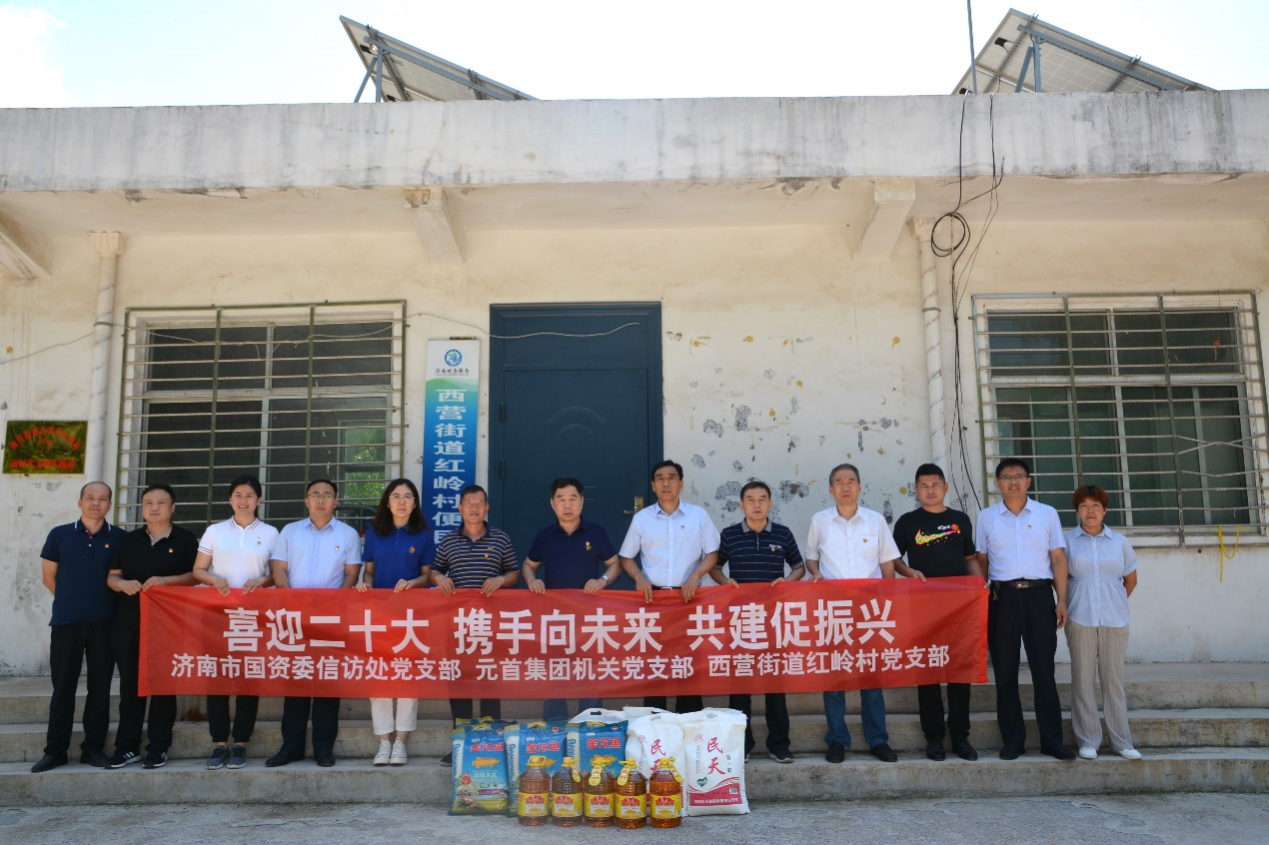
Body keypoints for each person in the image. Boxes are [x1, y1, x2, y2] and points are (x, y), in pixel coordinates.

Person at [805, 463, 924, 764]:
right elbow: (811, 558)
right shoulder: (820, 521)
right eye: (839, 482)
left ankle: (878, 740)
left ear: (859, 487)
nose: (845, 486)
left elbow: (887, 562)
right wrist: (815, 573)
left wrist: (889, 599)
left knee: (871, 676)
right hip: (834, 608)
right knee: (834, 678)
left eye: (851, 481)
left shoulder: (875, 520)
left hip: (870, 609)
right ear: (831, 489)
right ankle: (837, 740)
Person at [976, 457, 1075, 761]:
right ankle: (1013, 741)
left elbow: (1058, 558)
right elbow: (981, 560)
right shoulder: (986, 518)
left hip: (1039, 597)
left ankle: (1052, 741)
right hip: (1001, 598)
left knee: (1043, 671)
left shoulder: (1047, 514)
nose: (1013, 482)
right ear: (998, 483)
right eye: (1007, 477)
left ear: (1029, 481)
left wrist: (1061, 600)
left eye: (1019, 476)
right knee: (1005, 672)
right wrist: (983, 596)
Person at [31, 482, 126, 773]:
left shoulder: (120, 538)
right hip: (66, 622)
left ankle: (92, 748)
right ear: (80, 502)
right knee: (63, 687)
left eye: (102, 499)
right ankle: (55, 751)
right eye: (90, 498)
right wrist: (71, 602)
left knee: (99, 688)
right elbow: (49, 578)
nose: (96, 503)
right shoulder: (59, 534)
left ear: (110, 504)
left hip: (105, 623)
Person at [266, 479, 362, 768]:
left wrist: (334, 605)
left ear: (336, 502)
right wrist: (291, 603)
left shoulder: (348, 534)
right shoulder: (290, 531)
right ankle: (291, 748)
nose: (321, 500)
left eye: (327, 495)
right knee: (295, 683)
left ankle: (323, 749)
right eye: (315, 495)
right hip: (294, 617)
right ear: (306, 501)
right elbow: (278, 568)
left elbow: (351, 573)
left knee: (327, 685)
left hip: (330, 618)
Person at [891, 463, 981, 762]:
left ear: (945, 487)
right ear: (916, 490)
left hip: (959, 607)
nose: (930, 490)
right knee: (927, 670)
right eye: (924, 486)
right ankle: (934, 738)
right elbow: (893, 559)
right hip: (923, 607)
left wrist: (980, 585)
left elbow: (969, 559)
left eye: (935, 485)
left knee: (959, 670)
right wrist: (909, 572)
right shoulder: (907, 522)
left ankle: (960, 736)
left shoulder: (960, 520)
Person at [105, 482, 198, 769]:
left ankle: (158, 747)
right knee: (131, 688)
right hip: (129, 624)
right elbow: (112, 576)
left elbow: (196, 576)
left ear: (173, 508)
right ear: (142, 508)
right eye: (148, 503)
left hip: (169, 626)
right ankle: (127, 748)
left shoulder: (185, 540)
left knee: (163, 687)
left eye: (161, 503)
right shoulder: (128, 541)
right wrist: (121, 584)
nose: (154, 508)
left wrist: (166, 582)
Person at [426, 484, 519, 767]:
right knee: (459, 683)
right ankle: (461, 745)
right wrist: (440, 579)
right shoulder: (449, 540)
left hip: (491, 624)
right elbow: (434, 570)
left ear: (487, 507)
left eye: (479, 503)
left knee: (489, 682)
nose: (474, 508)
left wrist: (501, 580)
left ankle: (490, 743)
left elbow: (514, 573)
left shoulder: (500, 538)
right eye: (469, 503)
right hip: (457, 624)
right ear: (460, 508)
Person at [618, 459, 721, 714]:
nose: (666, 483)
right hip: (654, 599)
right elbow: (626, 557)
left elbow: (712, 553)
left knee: (689, 662)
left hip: (689, 598)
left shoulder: (698, 515)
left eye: (671, 478)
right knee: (655, 664)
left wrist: (695, 575)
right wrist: (639, 577)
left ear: (681, 484)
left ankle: (689, 721)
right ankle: (655, 723)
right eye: (660, 479)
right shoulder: (642, 519)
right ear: (653, 486)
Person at [192, 475, 278, 770]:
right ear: (230, 499)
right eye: (238, 495)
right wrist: (213, 579)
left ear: (259, 500)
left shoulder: (271, 533)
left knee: (247, 678)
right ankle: (219, 743)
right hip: (217, 614)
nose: (244, 500)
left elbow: (277, 573)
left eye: (249, 495)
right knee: (217, 677)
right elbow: (198, 570)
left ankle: (240, 743)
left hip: (253, 616)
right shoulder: (215, 531)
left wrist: (262, 580)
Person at [715, 480, 804, 764]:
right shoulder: (729, 535)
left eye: (762, 499)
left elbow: (799, 567)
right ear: (741, 505)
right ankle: (741, 745)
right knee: (740, 684)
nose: (756, 504)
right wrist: (724, 581)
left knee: (774, 684)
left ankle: (779, 744)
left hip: (773, 619)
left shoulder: (783, 533)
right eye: (750, 499)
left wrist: (787, 582)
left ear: (770, 504)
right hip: (740, 620)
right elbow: (715, 566)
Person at [522, 477, 622, 722]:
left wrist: (602, 581)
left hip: (589, 617)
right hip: (554, 618)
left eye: (572, 499)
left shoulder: (596, 533)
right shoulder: (544, 536)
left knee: (589, 672)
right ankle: (555, 727)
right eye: (561, 499)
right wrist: (532, 580)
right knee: (555, 674)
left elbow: (614, 564)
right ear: (552, 503)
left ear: (582, 502)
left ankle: (590, 725)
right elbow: (528, 565)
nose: (567, 505)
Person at [355, 478, 436, 766]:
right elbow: (369, 572)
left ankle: (401, 742)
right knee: (379, 677)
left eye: (407, 497)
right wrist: (366, 584)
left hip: (412, 616)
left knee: (407, 678)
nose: (402, 502)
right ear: (387, 502)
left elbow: (428, 575)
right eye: (396, 496)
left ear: (414, 504)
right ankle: (383, 742)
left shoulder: (425, 535)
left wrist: (412, 583)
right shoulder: (374, 534)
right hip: (379, 615)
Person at [1065, 485, 1141, 761]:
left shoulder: (1119, 542)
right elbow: (1060, 578)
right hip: (1079, 617)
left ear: (1105, 510)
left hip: (1114, 619)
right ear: (1077, 510)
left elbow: (1130, 580)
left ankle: (1121, 741)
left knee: (1113, 680)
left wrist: (1113, 601)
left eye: (1095, 505)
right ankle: (1088, 740)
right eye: (1084, 506)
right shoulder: (1067, 541)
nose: (1090, 511)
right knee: (1082, 679)